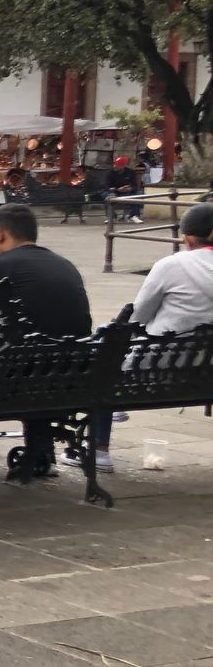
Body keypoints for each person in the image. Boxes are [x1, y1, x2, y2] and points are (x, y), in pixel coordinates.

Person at [72, 200, 213, 474]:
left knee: (105, 345)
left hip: (162, 368)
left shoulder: (172, 265)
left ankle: (100, 450)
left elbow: (138, 318)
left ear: (186, 237)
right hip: (207, 368)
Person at [0, 203, 91, 477]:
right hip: (75, 373)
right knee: (37, 353)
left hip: (20, 377)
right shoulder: (65, 265)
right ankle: (41, 451)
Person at [106, 158, 143, 222]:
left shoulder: (131, 173)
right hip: (115, 192)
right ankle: (112, 217)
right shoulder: (110, 173)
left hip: (128, 192)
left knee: (138, 194)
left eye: (117, 165)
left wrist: (129, 188)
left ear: (123, 166)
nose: (115, 166)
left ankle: (133, 216)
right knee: (106, 196)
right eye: (114, 164)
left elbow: (135, 186)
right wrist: (117, 189)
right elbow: (106, 185)